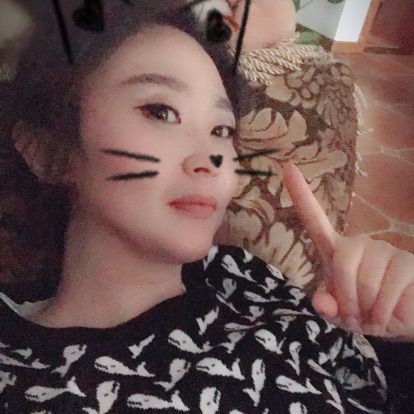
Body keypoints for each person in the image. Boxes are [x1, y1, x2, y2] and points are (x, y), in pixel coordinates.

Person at [0, 1, 391, 412]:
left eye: (222, 129)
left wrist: (398, 333)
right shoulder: (22, 380)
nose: (211, 158)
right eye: (161, 112)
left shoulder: (244, 273)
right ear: (47, 152)